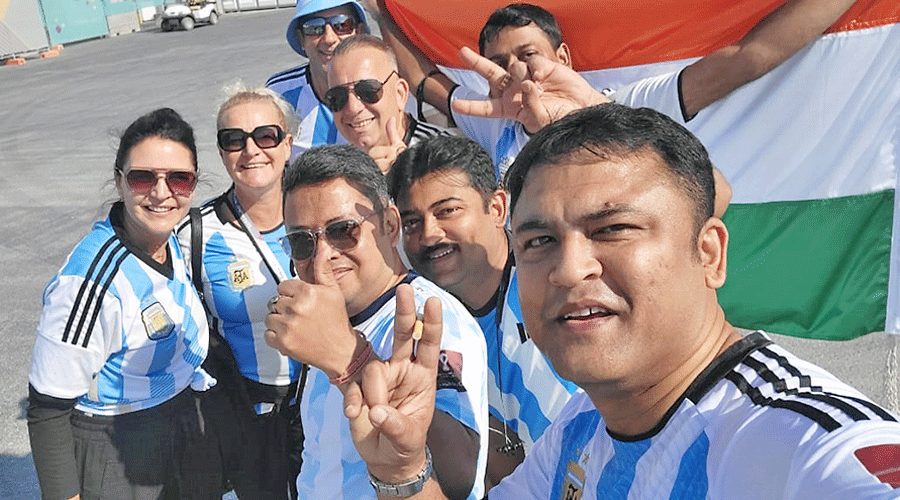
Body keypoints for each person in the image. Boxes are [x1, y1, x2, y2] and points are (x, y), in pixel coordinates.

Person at [335, 104, 900, 499]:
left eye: (613, 229)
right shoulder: (583, 427)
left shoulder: (799, 444)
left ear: (708, 253)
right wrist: (404, 472)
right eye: (539, 241)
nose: (569, 267)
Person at [364, 0, 857, 180]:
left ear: (563, 58)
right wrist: (382, 8)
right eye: (498, 64)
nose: (514, 72)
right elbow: (430, 83)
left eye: (527, 55)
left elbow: (751, 57)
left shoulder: (637, 107)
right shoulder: (494, 121)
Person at [263, 144, 489, 499]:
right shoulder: (332, 321)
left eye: (343, 230)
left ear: (390, 224)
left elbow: (462, 475)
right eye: (301, 242)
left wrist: (352, 361)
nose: (323, 255)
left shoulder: (428, 317)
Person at [27, 108, 220, 500]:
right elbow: (47, 408)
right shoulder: (90, 283)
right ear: (119, 181)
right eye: (142, 177)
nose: (162, 193)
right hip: (118, 446)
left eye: (179, 179)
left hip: (181, 420)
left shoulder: (169, 238)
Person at [387, 135, 579, 488]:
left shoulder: (560, 287)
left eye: (447, 211)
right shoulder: (415, 320)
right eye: (412, 222)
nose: (429, 235)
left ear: (498, 208)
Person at [175, 85, 302, 499]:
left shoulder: (323, 211)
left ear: (288, 140)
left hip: (328, 403)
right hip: (249, 416)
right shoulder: (194, 233)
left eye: (265, 135)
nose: (251, 150)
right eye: (234, 140)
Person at [325, 35, 455, 173]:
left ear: (400, 94)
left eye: (368, 90)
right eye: (337, 96)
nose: (353, 107)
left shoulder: (447, 158)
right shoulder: (332, 173)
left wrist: (405, 178)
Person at [266, 0, 369, 157]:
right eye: (314, 27)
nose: (329, 38)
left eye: (341, 24)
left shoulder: (385, 87)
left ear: (359, 32)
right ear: (301, 39)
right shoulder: (279, 94)